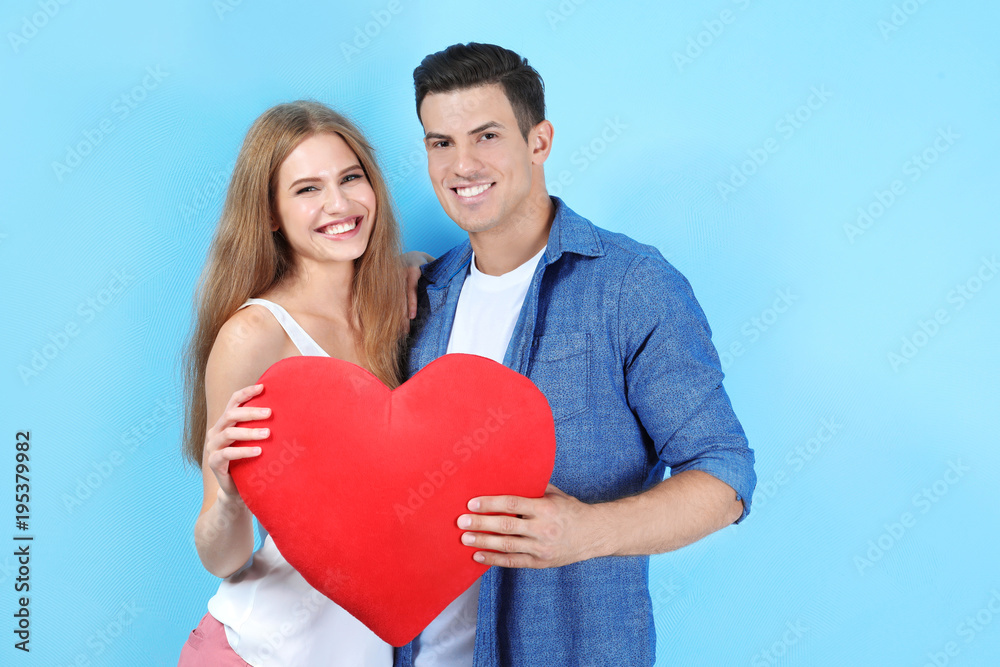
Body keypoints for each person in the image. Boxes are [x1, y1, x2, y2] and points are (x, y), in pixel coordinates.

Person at [398, 43, 757, 666]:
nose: (462, 164)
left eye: (486, 136)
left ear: (540, 141)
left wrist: (587, 531)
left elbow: (726, 476)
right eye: (440, 143)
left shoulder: (630, 285)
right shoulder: (421, 297)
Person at [178, 100, 412, 666]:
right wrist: (230, 497)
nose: (340, 204)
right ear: (271, 214)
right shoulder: (254, 335)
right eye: (307, 189)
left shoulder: (398, 307)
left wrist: (417, 266)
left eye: (351, 178)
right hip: (256, 651)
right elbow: (224, 559)